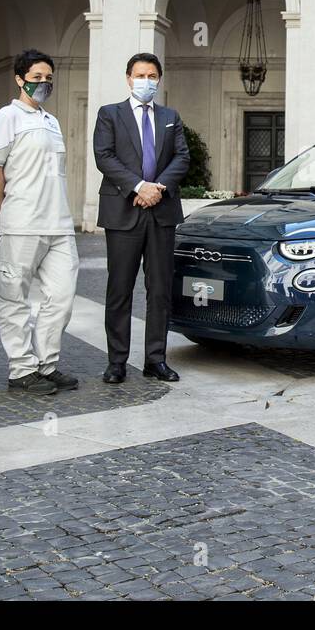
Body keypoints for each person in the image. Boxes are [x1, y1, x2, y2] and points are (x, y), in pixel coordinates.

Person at [0, 50, 80, 396]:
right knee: (15, 298)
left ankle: (46, 363)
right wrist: (4, 212)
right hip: (22, 222)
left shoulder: (51, 121)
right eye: (37, 77)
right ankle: (21, 369)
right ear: (20, 79)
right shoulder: (7, 116)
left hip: (59, 223)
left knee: (62, 296)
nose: (43, 83)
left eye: (48, 78)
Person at [92, 52, 190, 384]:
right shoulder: (110, 115)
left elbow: (182, 156)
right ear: (128, 78)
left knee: (160, 289)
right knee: (119, 288)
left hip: (161, 212)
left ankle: (156, 359)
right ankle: (117, 361)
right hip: (123, 211)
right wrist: (138, 186)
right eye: (139, 75)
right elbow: (104, 156)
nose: (145, 81)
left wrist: (158, 188)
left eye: (151, 76)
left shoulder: (170, 116)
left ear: (158, 80)